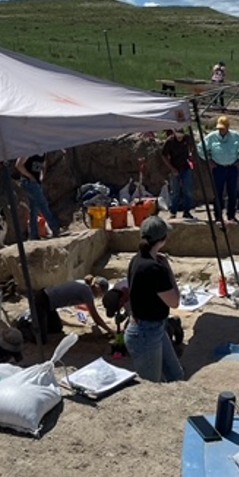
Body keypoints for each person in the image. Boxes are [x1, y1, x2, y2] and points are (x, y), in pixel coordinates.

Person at [124, 216, 184, 382]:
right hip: (145, 333)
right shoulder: (155, 268)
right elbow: (175, 301)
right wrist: (167, 269)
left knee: (176, 376)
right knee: (153, 385)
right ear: (163, 239)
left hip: (152, 328)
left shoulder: (137, 260)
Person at [197, 115, 239, 224]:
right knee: (218, 192)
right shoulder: (211, 137)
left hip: (232, 168)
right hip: (218, 168)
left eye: (223, 128)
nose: (221, 130)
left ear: (228, 127)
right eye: (219, 128)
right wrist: (209, 160)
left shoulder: (236, 137)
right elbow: (200, 148)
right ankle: (218, 216)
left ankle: (231, 215)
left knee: (232, 193)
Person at [28, 276, 110, 340]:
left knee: (56, 328)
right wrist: (111, 331)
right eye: (101, 294)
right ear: (98, 288)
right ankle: (25, 328)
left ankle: (40, 324)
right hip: (42, 301)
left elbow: (91, 312)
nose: (100, 296)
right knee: (40, 340)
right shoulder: (87, 292)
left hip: (49, 303)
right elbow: (96, 317)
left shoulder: (84, 285)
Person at [15, 154, 60, 240]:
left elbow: (42, 166)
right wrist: (30, 176)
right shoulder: (29, 150)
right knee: (43, 205)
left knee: (34, 208)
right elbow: (18, 165)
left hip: (36, 183)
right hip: (28, 182)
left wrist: (41, 177)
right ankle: (55, 227)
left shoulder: (43, 152)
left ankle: (34, 234)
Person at [161, 129, 195, 220]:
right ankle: (173, 212)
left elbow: (192, 146)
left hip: (186, 167)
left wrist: (191, 153)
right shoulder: (170, 141)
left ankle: (187, 211)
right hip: (175, 167)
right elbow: (163, 155)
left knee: (187, 190)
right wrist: (172, 169)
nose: (180, 137)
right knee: (175, 191)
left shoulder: (187, 139)